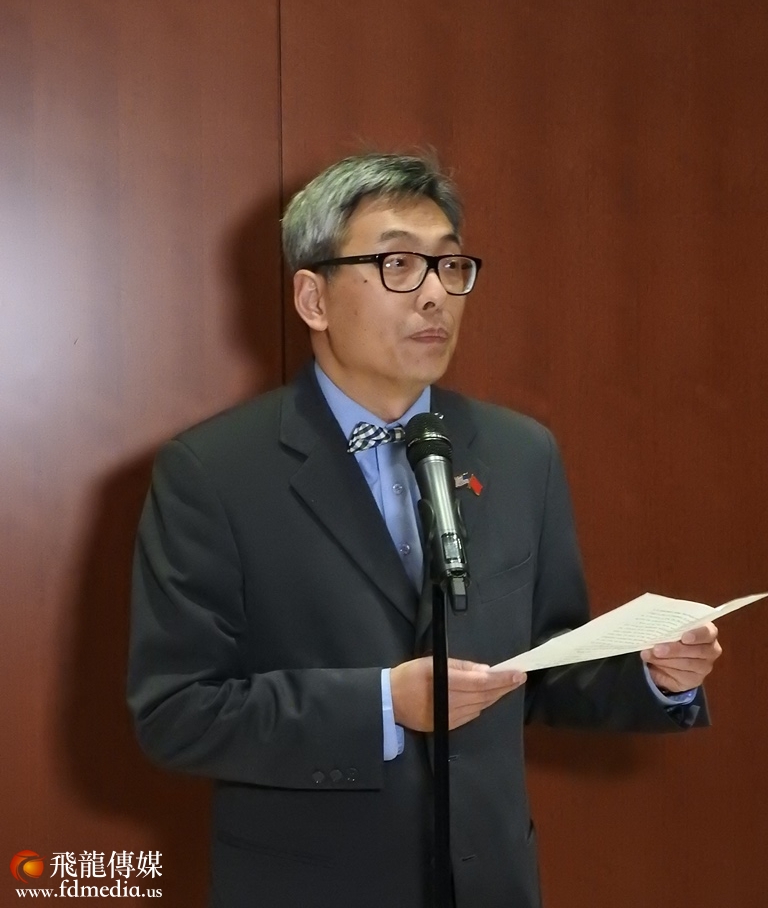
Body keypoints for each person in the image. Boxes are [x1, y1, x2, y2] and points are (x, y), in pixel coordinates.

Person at [127, 153, 721, 908]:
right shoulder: (214, 472)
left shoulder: (519, 453)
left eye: (450, 265)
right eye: (399, 264)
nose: (436, 293)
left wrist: (655, 676)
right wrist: (382, 705)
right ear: (313, 297)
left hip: (491, 882)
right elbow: (176, 712)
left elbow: (544, 664)